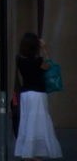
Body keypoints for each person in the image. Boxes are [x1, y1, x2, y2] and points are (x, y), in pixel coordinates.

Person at [14, 31, 62, 160]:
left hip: (25, 94)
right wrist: (44, 48)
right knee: (39, 122)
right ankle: (33, 153)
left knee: (27, 121)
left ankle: (27, 151)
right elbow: (49, 64)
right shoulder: (38, 61)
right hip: (38, 94)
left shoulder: (19, 60)